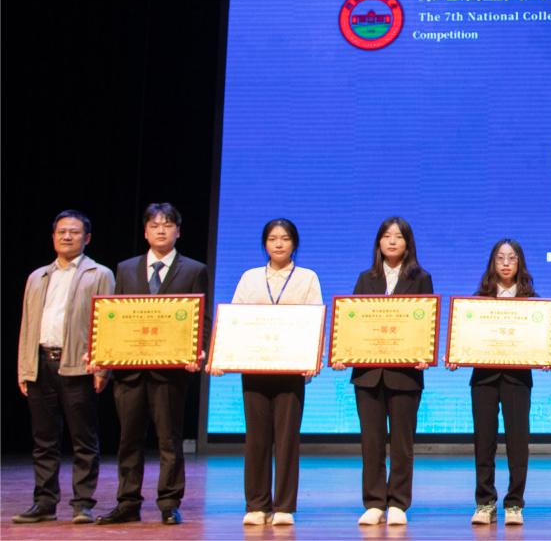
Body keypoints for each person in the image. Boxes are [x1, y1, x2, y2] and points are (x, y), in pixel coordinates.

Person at [96, 203, 210, 526]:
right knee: (128, 440)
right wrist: (104, 356)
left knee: (169, 440)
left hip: (170, 372)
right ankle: (127, 502)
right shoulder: (126, 268)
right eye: (155, 225)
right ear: (145, 232)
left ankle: (169, 503)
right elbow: (115, 317)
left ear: (178, 231)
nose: (161, 230)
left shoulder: (194, 270)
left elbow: (201, 319)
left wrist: (197, 351)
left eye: (168, 224)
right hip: (129, 370)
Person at [211, 218, 322, 526]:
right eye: (273, 238)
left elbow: (315, 320)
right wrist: (222, 357)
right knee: (256, 439)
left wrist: (312, 360)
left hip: (291, 370)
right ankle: (257, 504)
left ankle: (284, 506)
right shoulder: (250, 278)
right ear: (265, 244)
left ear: (294, 243)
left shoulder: (307, 278)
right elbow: (234, 319)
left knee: (287, 439)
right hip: (255, 368)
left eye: (285, 238)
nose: (279, 243)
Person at [14, 210, 115, 525]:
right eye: (61, 232)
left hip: (78, 365)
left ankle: (82, 503)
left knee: (83, 439)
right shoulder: (38, 276)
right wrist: (24, 368)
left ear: (87, 238)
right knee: (44, 440)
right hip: (41, 363)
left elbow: (108, 322)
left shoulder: (99, 274)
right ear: (53, 237)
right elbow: (27, 324)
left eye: (74, 232)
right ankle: (44, 502)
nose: (67, 236)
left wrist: (103, 367)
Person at [344, 217, 433, 526]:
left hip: (405, 374)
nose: (392, 241)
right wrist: (344, 352)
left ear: (408, 243)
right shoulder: (365, 278)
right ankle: (373, 502)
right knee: (371, 441)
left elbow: (425, 321)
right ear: (378, 242)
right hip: (368, 373)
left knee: (402, 442)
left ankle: (398, 502)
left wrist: (424, 352)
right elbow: (353, 321)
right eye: (386, 236)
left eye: (398, 236)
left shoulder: (421, 278)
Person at [456, 238, 537, 526]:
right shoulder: (478, 301)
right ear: (492, 263)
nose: (505, 263)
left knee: (518, 442)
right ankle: (485, 502)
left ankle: (514, 503)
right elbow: (465, 338)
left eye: (512, 258)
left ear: (520, 263)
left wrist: (549, 354)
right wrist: (456, 353)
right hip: (484, 379)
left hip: (517, 379)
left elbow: (539, 340)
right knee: (484, 441)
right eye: (500, 258)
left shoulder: (532, 303)